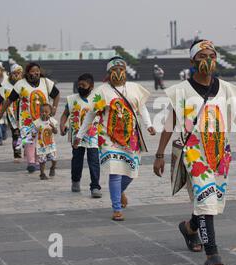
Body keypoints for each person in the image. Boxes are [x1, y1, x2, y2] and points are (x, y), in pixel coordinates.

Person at [153, 39, 236, 265]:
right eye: (202, 56)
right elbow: (169, 123)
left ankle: (189, 227)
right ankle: (212, 254)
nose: (207, 60)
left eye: (211, 56)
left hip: (220, 152)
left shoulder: (225, 88)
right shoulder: (181, 91)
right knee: (206, 197)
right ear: (192, 60)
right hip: (193, 152)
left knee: (211, 200)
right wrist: (159, 154)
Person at [74, 57, 156, 221]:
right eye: (114, 69)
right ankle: (116, 208)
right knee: (115, 172)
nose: (118, 72)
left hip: (130, 137)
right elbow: (91, 114)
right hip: (109, 138)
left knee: (132, 172)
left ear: (125, 71)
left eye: (121, 69)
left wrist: (149, 125)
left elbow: (142, 109)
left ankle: (119, 191)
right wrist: (79, 135)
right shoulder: (102, 91)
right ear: (109, 72)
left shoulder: (134, 89)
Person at [0, 62, 60, 173]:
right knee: (28, 139)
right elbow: (10, 99)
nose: (35, 73)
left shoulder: (46, 82)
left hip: (43, 118)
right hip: (26, 118)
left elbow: (56, 94)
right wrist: (1, 112)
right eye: (32, 71)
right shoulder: (20, 84)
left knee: (39, 139)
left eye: (37, 71)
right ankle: (31, 162)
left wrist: (54, 108)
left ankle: (36, 161)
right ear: (27, 72)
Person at [60, 73, 102, 198]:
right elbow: (65, 114)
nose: (81, 87)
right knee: (77, 161)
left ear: (91, 86)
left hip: (92, 136)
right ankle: (75, 180)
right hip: (76, 137)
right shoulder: (72, 99)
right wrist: (62, 125)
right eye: (79, 85)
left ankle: (95, 186)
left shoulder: (98, 99)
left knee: (94, 161)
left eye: (84, 85)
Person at [0, 64, 24, 160]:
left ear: (22, 73)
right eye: (14, 73)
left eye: (18, 73)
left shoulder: (26, 84)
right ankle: (17, 154)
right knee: (16, 134)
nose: (16, 75)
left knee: (25, 134)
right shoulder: (5, 87)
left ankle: (26, 148)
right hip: (12, 115)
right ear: (10, 74)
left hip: (25, 115)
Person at [31, 103, 58, 180]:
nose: (44, 113)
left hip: (51, 145)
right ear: (39, 112)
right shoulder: (37, 122)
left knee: (54, 159)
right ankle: (42, 174)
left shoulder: (52, 121)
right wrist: (33, 135)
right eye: (42, 111)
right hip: (41, 145)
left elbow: (56, 132)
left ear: (50, 112)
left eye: (46, 112)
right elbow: (34, 132)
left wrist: (53, 127)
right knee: (42, 161)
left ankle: (52, 167)